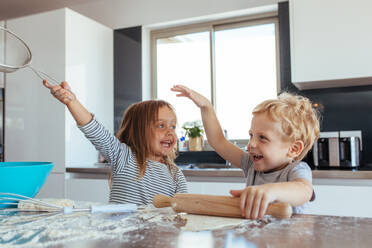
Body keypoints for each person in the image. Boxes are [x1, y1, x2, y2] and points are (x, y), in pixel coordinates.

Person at [171, 85, 320, 219]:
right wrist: (206, 107)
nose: (251, 144)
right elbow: (218, 141)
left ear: (293, 149)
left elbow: (304, 191)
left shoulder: (295, 170)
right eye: (251, 135)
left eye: (263, 138)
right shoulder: (251, 164)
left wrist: (270, 191)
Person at [43, 80, 188, 205]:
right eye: (161, 125)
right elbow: (94, 129)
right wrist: (71, 101)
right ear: (139, 131)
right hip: (123, 236)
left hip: (159, 236)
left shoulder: (175, 174)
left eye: (173, 126)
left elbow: (183, 210)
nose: (170, 132)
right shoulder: (123, 157)